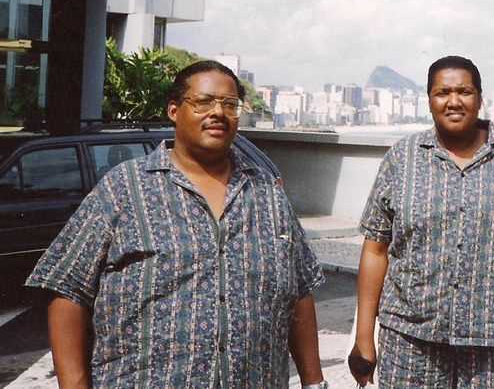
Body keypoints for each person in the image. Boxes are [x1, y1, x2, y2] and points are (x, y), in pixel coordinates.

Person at [25, 60, 329, 389]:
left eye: (230, 104)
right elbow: (68, 291)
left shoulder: (268, 195)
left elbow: (299, 293)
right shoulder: (124, 189)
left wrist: (314, 382)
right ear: (173, 110)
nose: (218, 112)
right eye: (203, 102)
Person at [351, 55, 494, 389]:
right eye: (443, 93)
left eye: (464, 92)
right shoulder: (402, 159)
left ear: (480, 98)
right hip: (411, 340)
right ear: (429, 101)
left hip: (493, 345)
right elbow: (375, 248)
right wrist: (364, 335)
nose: (454, 101)